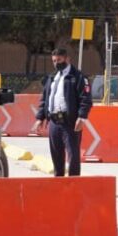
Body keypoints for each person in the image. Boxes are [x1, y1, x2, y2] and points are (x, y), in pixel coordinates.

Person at [33, 48, 93, 177]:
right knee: (56, 155)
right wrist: (40, 118)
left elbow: (86, 99)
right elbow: (45, 99)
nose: (56, 63)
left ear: (67, 59)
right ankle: (59, 181)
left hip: (70, 122)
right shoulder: (52, 77)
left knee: (73, 155)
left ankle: (73, 182)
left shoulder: (78, 77)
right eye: (54, 61)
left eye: (59, 60)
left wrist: (82, 117)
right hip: (54, 122)